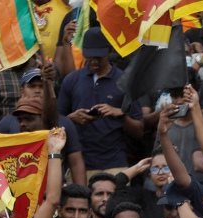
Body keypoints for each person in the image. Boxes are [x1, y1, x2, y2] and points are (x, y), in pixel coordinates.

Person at [57, 28, 143, 175]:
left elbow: (139, 131)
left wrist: (120, 115)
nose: (94, 61)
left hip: (114, 164)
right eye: (90, 56)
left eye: (99, 56)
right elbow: (54, 124)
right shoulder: (72, 80)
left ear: (109, 52)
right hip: (79, 165)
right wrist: (72, 119)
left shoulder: (125, 82)